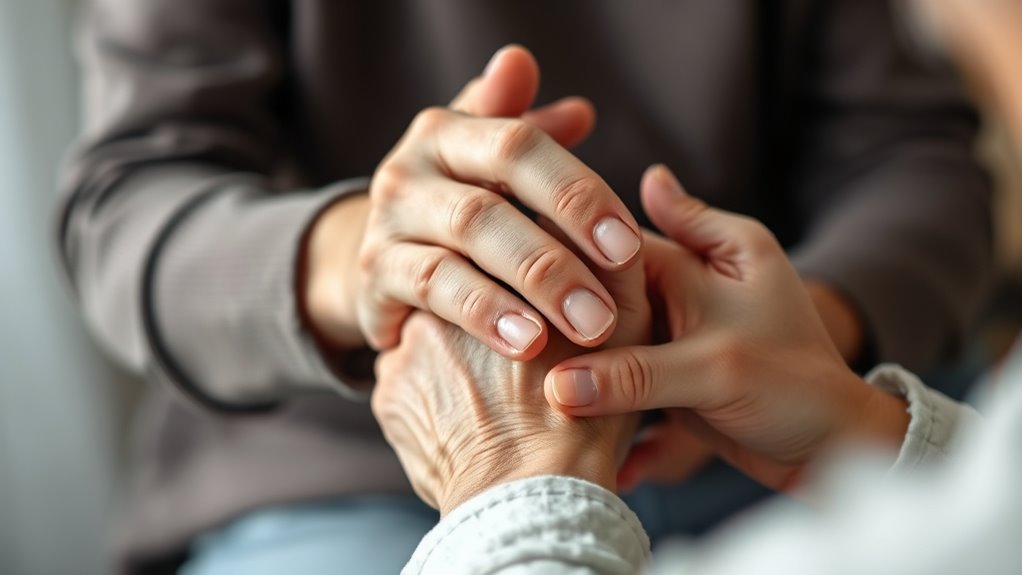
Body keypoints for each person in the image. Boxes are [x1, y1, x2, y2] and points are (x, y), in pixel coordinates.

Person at [57, 1, 991, 572]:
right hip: (335, 477)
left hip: (775, 438)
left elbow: (914, 153)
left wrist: (794, 338)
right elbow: (127, 207)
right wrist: (371, 256)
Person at [375, 1, 1022, 571]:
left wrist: (511, 475)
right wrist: (375, 242)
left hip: (768, 417)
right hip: (369, 480)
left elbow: (916, 149)